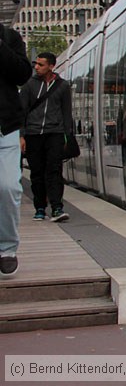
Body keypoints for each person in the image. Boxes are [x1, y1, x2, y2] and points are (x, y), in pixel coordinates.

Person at [20, 52, 74, 222]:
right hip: (33, 134)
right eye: (36, 64)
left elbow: (66, 112)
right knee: (37, 172)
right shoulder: (29, 85)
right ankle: (40, 208)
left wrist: (67, 135)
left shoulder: (63, 86)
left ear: (51, 66)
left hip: (55, 134)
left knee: (54, 170)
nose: (36, 67)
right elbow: (21, 112)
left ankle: (57, 207)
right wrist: (21, 135)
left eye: (41, 64)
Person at [1, 25, 33, 277]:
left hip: (6, 126)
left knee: (8, 187)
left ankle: (7, 249)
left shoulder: (9, 37)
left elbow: (22, 74)